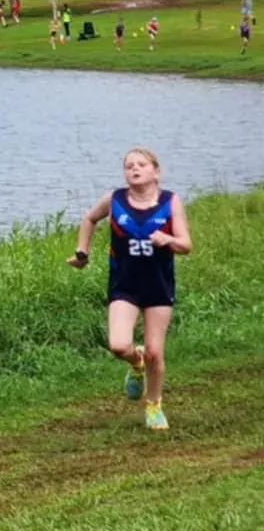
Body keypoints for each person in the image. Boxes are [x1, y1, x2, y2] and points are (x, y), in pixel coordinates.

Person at [69, 148, 192, 430]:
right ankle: (136, 363)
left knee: (155, 352)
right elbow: (89, 219)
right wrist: (82, 252)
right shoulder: (114, 200)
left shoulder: (170, 202)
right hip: (124, 286)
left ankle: (154, 405)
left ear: (156, 171)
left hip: (158, 287)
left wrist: (168, 240)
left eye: (141, 164)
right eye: (129, 166)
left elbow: (186, 245)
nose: (134, 169)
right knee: (118, 345)